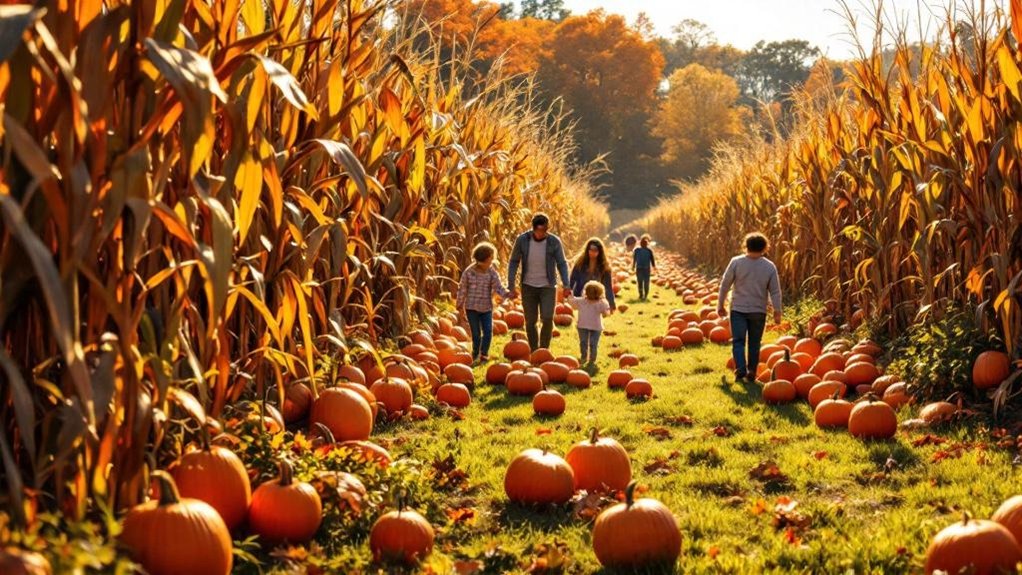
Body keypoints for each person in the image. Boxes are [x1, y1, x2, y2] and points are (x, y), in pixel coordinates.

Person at [716, 232, 783, 383]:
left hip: (738, 310)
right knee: (754, 342)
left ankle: (740, 369)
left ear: (746, 246)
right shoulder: (769, 266)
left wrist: (720, 305)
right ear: (765, 248)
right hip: (758, 311)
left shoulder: (736, 262)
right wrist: (777, 311)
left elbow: (725, 285)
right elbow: (775, 291)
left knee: (738, 341)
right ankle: (752, 371)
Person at [507, 213, 571, 351]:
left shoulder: (554, 241)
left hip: (547, 286)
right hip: (528, 286)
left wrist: (566, 284)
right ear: (533, 228)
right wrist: (511, 285)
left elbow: (562, 263)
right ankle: (534, 349)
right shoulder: (522, 240)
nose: (542, 233)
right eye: (539, 230)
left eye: (545, 230)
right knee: (530, 321)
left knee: (547, 318)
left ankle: (544, 349)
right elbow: (514, 262)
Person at [457, 242, 511, 364]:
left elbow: (498, 287)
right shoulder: (469, 272)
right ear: (483, 259)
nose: (491, 261)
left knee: (488, 332)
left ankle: (484, 354)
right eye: (490, 259)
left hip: (486, 308)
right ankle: (475, 353)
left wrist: (508, 293)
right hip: (471, 308)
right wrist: (460, 305)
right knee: (476, 334)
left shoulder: (492, 272)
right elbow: (462, 289)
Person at [568, 280, 612, 370]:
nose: (591, 295)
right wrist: (570, 294)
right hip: (583, 326)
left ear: (598, 294)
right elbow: (572, 302)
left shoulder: (601, 303)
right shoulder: (582, 301)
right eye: (589, 293)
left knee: (593, 343)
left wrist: (605, 313)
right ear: (586, 293)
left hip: (596, 327)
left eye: (593, 293)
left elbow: (606, 311)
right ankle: (584, 357)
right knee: (584, 342)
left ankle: (592, 359)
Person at [569, 238, 616, 313]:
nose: (592, 252)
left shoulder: (604, 266)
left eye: (595, 250)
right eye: (590, 250)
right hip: (581, 297)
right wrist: (568, 292)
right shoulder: (580, 263)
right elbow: (572, 279)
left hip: (596, 297)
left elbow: (608, 286)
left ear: (599, 252)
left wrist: (611, 304)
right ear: (587, 250)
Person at [632, 234, 656, 300]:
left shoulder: (636, 250)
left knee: (640, 282)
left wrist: (633, 266)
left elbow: (634, 259)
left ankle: (641, 295)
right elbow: (652, 259)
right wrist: (654, 266)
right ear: (647, 244)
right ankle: (645, 295)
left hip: (639, 268)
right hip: (646, 268)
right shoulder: (649, 251)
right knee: (646, 282)